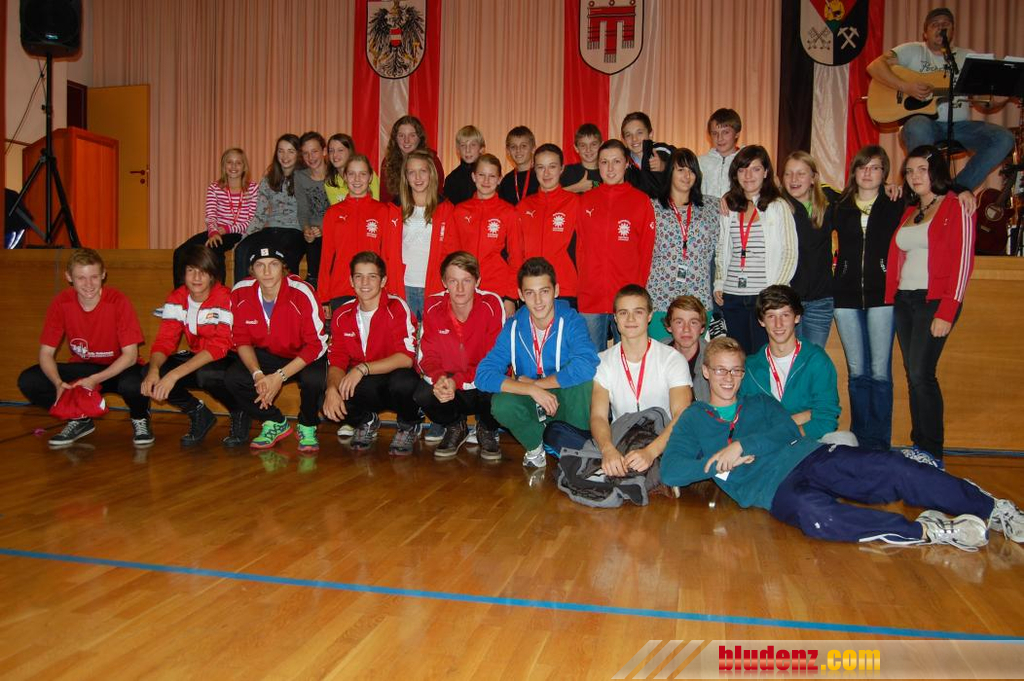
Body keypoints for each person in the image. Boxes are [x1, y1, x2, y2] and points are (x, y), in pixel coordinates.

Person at [661, 337, 1024, 552]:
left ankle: (994, 509)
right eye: (720, 370)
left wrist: (741, 445)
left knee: (892, 466)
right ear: (705, 372)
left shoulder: (758, 402)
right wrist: (718, 461)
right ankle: (928, 531)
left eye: (736, 370)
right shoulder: (694, 417)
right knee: (819, 518)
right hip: (773, 491)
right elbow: (671, 470)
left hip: (811, 457)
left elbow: (787, 431)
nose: (728, 378)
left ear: (743, 373)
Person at [885, 144, 975, 464]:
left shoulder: (956, 205)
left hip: (933, 300)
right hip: (904, 300)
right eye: (909, 171)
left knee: (923, 373)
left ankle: (933, 452)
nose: (914, 176)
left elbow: (964, 263)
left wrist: (947, 310)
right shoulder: (911, 211)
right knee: (913, 375)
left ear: (935, 171)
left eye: (922, 169)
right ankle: (919, 446)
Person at [543, 285, 693, 477]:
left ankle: (607, 469)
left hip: (661, 440)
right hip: (621, 438)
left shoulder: (672, 359)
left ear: (649, 316)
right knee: (554, 432)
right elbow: (598, 416)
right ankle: (619, 466)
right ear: (615, 318)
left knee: (691, 441)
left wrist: (650, 452)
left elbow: (682, 415)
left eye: (638, 312)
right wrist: (607, 450)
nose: (630, 319)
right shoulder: (603, 360)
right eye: (623, 313)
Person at [866, 7, 1013, 192]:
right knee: (918, 126)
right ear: (925, 33)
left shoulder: (967, 57)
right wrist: (906, 87)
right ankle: (924, 190)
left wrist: (1000, 98)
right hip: (923, 124)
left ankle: (955, 190)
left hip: (960, 127)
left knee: (1004, 138)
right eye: (935, 24)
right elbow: (875, 67)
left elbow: (982, 100)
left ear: (953, 31)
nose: (941, 27)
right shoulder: (912, 50)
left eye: (946, 24)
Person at [18, 249, 152, 447]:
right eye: (81, 278)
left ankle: (140, 417)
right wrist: (58, 383)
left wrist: (94, 380)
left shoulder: (118, 301)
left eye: (94, 277)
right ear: (69, 277)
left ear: (103, 275)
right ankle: (79, 418)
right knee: (30, 380)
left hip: (119, 368)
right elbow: (46, 353)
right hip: (84, 368)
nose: (88, 284)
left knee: (134, 384)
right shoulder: (61, 302)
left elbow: (130, 356)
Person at [475, 258, 599, 469]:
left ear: (556, 291)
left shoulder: (571, 320)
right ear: (521, 295)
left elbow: (587, 364)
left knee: (584, 383)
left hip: (561, 397)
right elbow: (483, 374)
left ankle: (577, 448)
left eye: (544, 291)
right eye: (530, 293)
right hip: (533, 399)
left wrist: (537, 384)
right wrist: (529, 389)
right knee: (501, 403)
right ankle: (536, 445)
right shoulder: (513, 327)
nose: (538, 300)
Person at [830, 146, 904, 451]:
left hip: (882, 296)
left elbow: (931, 195)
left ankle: (879, 442)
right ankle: (860, 438)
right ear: (854, 172)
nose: (868, 173)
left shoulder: (895, 203)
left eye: (875, 167)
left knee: (879, 372)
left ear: (884, 173)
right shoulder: (840, 205)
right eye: (863, 167)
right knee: (857, 372)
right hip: (845, 297)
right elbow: (812, 188)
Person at [225, 247, 328, 451]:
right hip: (269, 353)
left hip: (303, 354)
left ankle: (307, 425)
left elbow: (316, 345)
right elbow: (241, 340)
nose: (266, 271)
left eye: (273, 264)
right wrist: (257, 374)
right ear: (252, 270)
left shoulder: (302, 292)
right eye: (260, 265)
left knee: (315, 379)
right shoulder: (240, 292)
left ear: (283, 268)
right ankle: (273, 421)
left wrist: (279, 377)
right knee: (233, 377)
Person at [142, 245, 246, 447]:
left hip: (229, 357)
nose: (196, 277)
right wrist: (154, 370)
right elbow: (164, 341)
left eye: (203, 271)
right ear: (183, 273)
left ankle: (239, 411)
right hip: (198, 356)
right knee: (149, 372)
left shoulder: (225, 297)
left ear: (212, 275)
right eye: (191, 270)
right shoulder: (177, 297)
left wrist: (174, 375)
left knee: (207, 374)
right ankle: (198, 413)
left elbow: (219, 346)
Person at [322, 252, 420, 455]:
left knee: (404, 382)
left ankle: (409, 424)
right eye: (359, 276)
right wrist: (331, 389)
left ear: (383, 281)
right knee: (325, 396)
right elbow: (337, 360)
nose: (364, 283)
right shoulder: (342, 314)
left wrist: (362, 368)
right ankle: (366, 421)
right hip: (366, 382)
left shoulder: (396, 307)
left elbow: (406, 358)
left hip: (393, 376)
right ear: (351, 281)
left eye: (372, 276)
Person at [415, 252, 506, 459]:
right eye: (453, 281)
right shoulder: (433, 306)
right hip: (451, 384)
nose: (460, 288)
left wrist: (457, 381)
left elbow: (495, 361)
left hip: (481, 381)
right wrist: (440, 379)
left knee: (499, 389)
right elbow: (426, 356)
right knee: (422, 393)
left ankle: (487, 428)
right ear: (444, 282)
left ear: (477, 281)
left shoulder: (491, 304)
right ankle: (456, 426)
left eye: (466, 280)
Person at [739, 285, 854, 445]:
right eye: (771, 316)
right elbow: (747, 420)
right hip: (767, 446)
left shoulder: (817, 361)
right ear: (761, 321)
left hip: (807, 439)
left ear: (797, 317)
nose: (778, 324)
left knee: (847, 439)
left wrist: (780, 434)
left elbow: (826, 421)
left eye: (785, 315)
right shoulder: (751, 367)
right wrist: (804, 415)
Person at [714, 145, 798, 355]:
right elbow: (722, 247)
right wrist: (719, 281)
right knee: (738, 356)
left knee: (764, 356)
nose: (748, 175)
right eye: (742, 170)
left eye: (755, 169)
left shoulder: (778, 206)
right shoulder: (730, 205)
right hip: (732, 295)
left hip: (764, 296)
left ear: (766, 172)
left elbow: (790, 251)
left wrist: (775, 292)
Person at [576, 140, 657, 351]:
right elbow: (580, 249)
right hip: (591, 295)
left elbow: (646, 251)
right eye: (604, 162)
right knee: (591, 360)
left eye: (616, 161)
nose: (610, 168)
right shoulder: (586, 201)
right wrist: (584, 284)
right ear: (598, 165)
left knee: (628, 357)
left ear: (627, 164)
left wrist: (637, 291)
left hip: (627, 297)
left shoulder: (640, 201)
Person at [646, 148, 719, 336]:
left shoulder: (713, 206)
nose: (687, 176)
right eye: (680, 170)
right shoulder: (650, 207)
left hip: (698, 296)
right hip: (660, 297)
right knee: (661, 352)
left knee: (694, 353)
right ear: (670, 172)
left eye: (691, 170)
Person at [319, 154, 405, 311]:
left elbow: (388, 255)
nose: (357, 179)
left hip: (373, 289)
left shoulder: (383, 211)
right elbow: (326, 258)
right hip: (341, 290)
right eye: (352, 174)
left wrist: (389, 289)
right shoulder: (333, 213)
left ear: (370, 177)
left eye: (362, 174)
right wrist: (323, 297)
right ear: (345, 177)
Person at [170, 148, 257, 289]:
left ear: (244, 166)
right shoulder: (215, 188)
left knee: (214, 249)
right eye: (229, 162)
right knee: (180, 252)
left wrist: (226, 229)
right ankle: (180, 295)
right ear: (224, 165)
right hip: (216, 231)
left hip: (240, 232)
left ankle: (219, 294)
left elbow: (252, 221)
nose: (233, 166)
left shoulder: (253, 189)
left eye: (238, 163)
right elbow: (210, 216)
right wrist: (213, 232)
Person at [450, 154, 523, 316]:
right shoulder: (460, 211)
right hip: (464, 288)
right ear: (473, 176)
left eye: (492, 176)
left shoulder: (509, 212)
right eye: (481, 175)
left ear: (499, 179)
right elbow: (452, 254)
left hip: (498, 289)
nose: (486, 181)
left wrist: (511, 297)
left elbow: (516, 257)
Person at [780, 151, 837, 348]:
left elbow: (861, 194)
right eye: (788, 173)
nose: (794, 179)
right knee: (789, 358)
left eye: (801, 173)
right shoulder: (776, 207)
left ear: (813, 178)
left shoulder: (829, 202)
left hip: (821, 300)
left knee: (813, 357)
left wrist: (887, 187)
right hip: (787, 301)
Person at [233, 134, 307, 284]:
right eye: (281, 151)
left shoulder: (305, 178)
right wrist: (244, 237)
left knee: (284, 252)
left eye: (290, 151)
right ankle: (241, 293)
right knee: (242, 249)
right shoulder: (268, 180)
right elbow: (259, 214)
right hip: (269, 229)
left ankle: (287, 294)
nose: (285, 156)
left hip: (295, 231)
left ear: (298, 154)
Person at [517, 143, 580, 305]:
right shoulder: (523, 206)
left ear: (561, 168)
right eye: (540, 167)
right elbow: (516, 251)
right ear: (534, 169)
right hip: (531, 288)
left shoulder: (575, 203)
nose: (546, 173)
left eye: (552, 166)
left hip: (564, 287)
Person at [399, 149, 458, 319]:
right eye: (412, 172)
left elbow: (452, 251)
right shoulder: (394, 209)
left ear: (431, 174)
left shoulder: (446, 209)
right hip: (404, 285)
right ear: (406, 177)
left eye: (422, 171)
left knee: (435, 334)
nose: (417, 177)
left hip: (435, 285)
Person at [379, 115, 444, 205]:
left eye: (412, 135)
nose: (406, 140)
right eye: (401, 135)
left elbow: (438, 192)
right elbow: (385, 199)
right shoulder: (388, 162)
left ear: (419, 138)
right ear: (395, 139)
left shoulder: (432, 160)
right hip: (397, 211)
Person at [295, 132, 331, 288]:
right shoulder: (300, 177)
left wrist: (323, 229)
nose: (310, 157)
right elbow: (302, 210)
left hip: (332, 228)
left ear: (324, 151)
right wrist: (306, 229)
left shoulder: (336, 174)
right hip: (312, 231)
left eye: (314, 151)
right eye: (305, 153)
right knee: (312, 240)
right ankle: (313, 282)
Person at [664, 295, 710, 403]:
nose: (686, 329)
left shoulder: (713, 359)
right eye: (679, 322)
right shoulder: (656, 355)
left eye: (693, 322)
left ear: (702, 328)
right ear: (669, 327)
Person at [621, 111, 672, 198]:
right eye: (628, 135)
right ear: (623, 140)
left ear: (650, 134)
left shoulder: (663, 151)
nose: (634, 139)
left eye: (639, 133)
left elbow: (687, 167)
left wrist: (664, 166)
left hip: (667, 205)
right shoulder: (622, 160)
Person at [698, 108, 742, 199]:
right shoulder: (700, 162)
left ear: (737, 134)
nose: (720, 138)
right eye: (715, 133)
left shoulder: (746, 162)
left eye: (725, 132)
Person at [324, 133, 380, 205]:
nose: (335, 155)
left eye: (340, 150)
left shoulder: (367, 175)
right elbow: (338, 209)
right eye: (331, 151)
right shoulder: (330, 183)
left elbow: (376, 205)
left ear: (350, 151)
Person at [443, 125, 485, 206]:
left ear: (481, 149)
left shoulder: (489, 175)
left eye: (473, 145)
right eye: (463, 145)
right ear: (458, 150)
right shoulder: (452, 179)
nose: (467, 150)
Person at [497, 126, 539, 206]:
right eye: (513, 147)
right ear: (508, 151)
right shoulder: (506, 181)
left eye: (523, 146)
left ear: (533, 148)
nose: (518, 150)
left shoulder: (541, 175)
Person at [561, 123, 602, 194]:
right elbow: (549, 196)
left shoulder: (607, 171)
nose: (588, 149)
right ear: (576, 148)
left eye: (593, 144)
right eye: (583, 145)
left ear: (601, 146)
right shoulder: (567, 171)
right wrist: (576, 188)